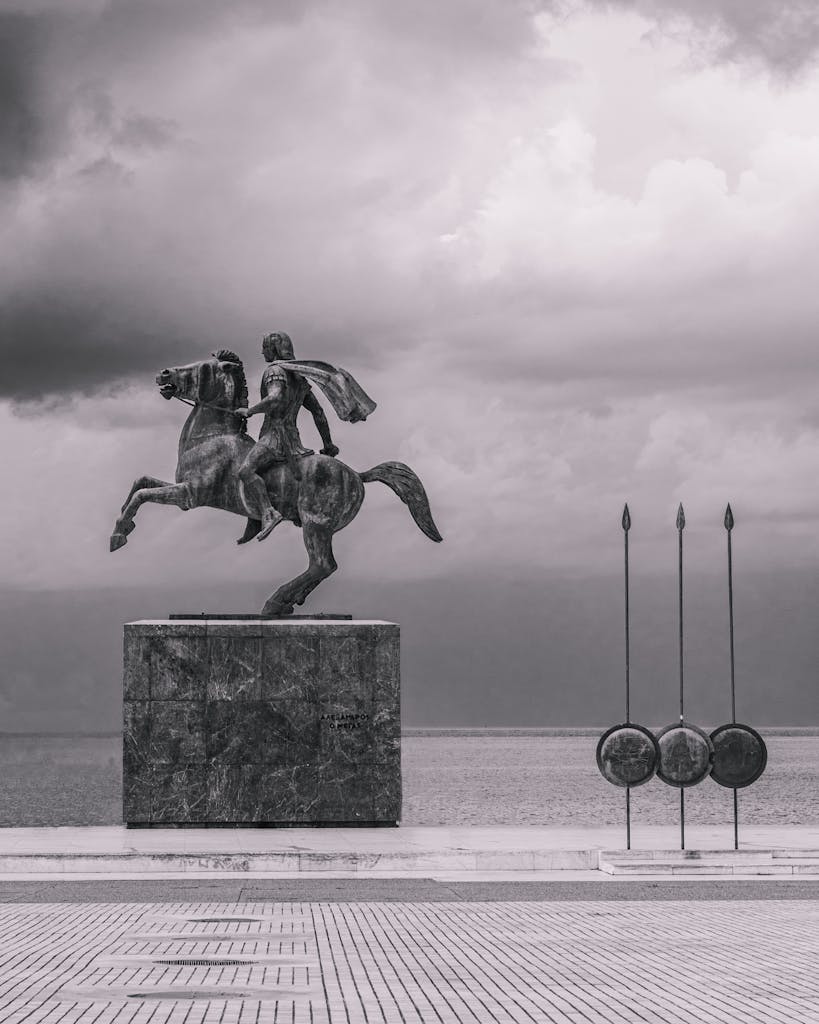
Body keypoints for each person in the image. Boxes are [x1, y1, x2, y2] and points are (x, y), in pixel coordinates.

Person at [235, 331, 339, 542]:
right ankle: (254, 518)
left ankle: (268, 513)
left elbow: (275, 397)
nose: (262, 352)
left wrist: (250, 411)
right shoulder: (298, 377)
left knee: (245, 471)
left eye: (265, 347)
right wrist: (328, 444)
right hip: (294, 440)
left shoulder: (274, 371)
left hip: (274, 438)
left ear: (273, 349)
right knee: (260, 471)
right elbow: (318, 412)